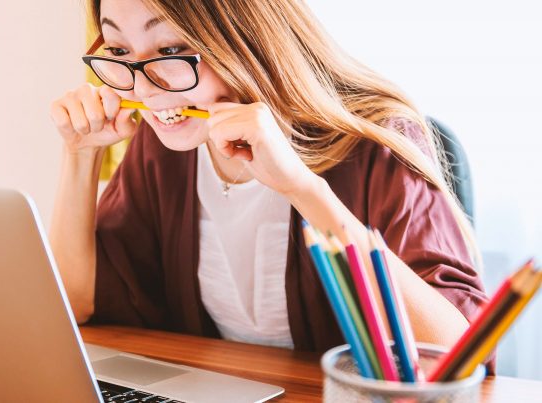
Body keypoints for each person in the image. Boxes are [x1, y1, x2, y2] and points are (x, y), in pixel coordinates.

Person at [49, 0, 489, 359]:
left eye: (170, 51)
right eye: (121, 52)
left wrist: (302, 188)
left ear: (244, 38)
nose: (143, 90)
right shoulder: (164, 146)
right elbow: (77, 302)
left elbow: (456, 354)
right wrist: (81, 155)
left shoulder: (377, 141)